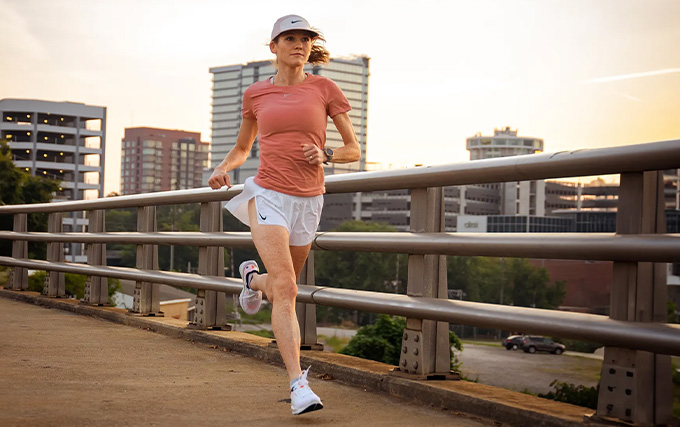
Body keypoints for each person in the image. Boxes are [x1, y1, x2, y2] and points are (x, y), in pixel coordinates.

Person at [208, 14, 360, 415]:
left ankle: (251, 280)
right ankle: (298, 385)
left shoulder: (325, 88)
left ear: (311, 46)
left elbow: (352, 149)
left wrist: (326, 154)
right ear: (273, 46)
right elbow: (243, 147)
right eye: (289, 38)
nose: (299, 44)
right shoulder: (256, 94)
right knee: (289, 289)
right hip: (268, 193)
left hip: (309, 199)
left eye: (305, 39)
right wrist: (224, 168)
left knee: (278, 288)